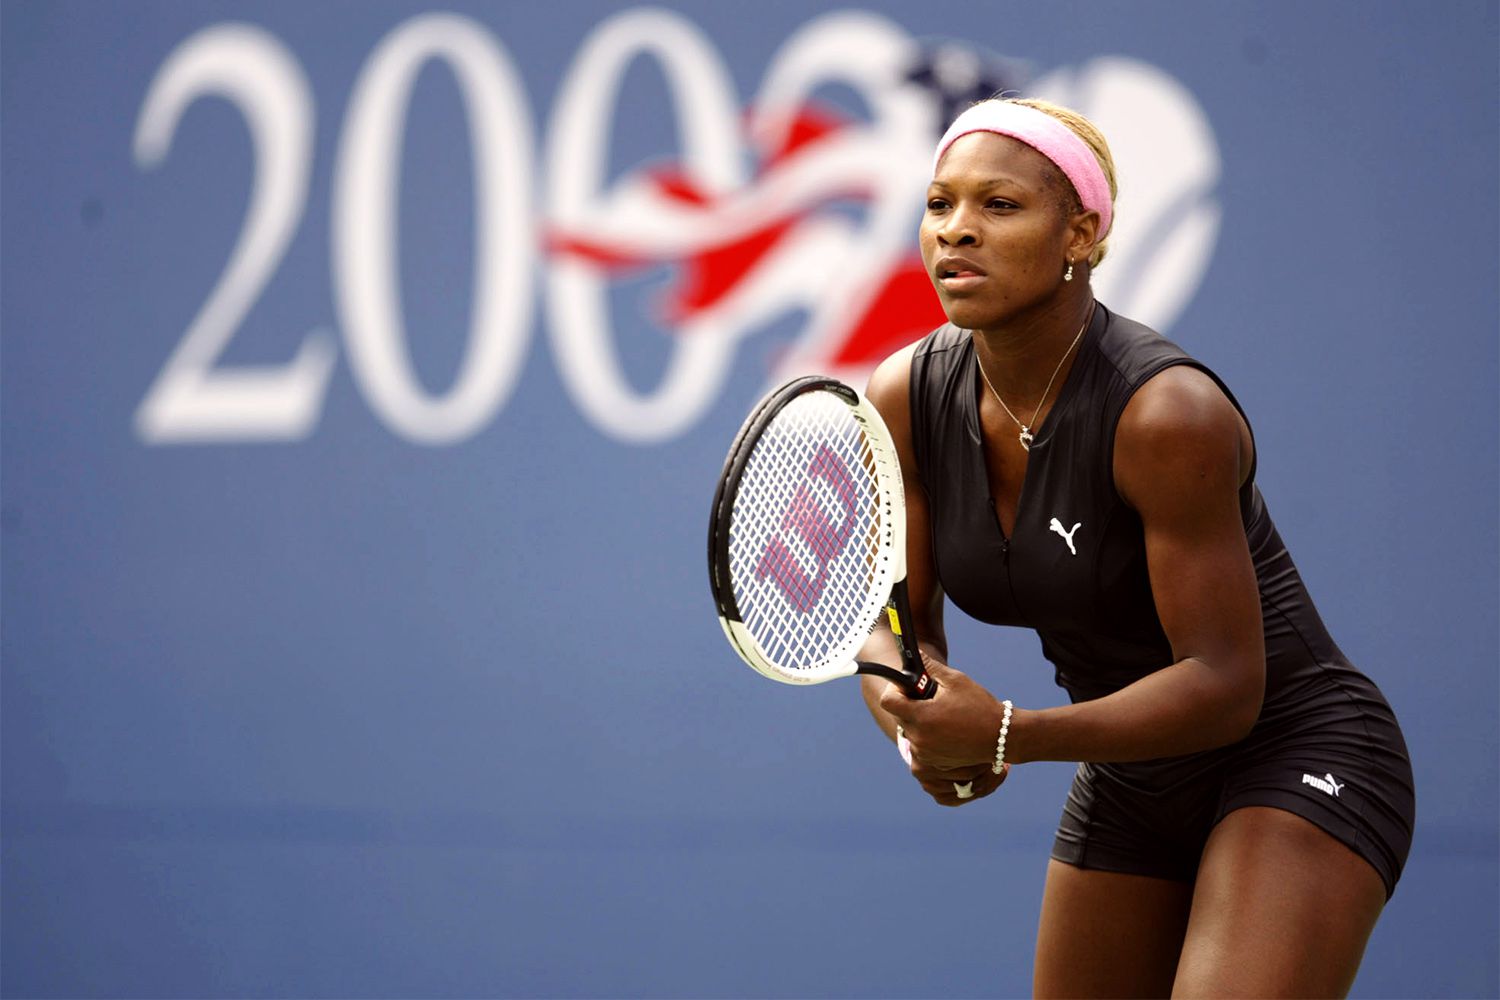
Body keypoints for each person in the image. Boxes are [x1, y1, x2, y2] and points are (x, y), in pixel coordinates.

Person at [857, 97, 1415, 998]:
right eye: (938, 204)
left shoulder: (1167, 413)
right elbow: (894, 623)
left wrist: (1006, 735)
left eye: (999, 206)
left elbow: (1227, 686)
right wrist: (921, 732)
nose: (957, 231)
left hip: (1294, 751)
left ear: (1080, 233)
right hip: (1132, 779)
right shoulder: (904, 395)